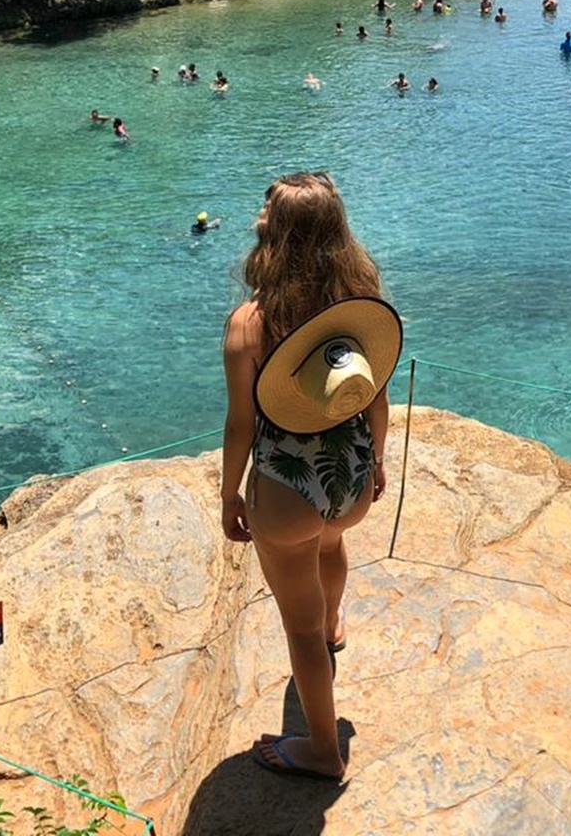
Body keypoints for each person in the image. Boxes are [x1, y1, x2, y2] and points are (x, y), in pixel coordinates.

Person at [221, 173, 402, 783]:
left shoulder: (251, 322)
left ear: (279, 233)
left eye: (265, 210)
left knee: (296, 627)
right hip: (348, 473)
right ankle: (334, 625)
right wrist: (377, 460)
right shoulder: (359, 303)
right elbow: (375, 396)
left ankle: (323, 751)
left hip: (286, 486)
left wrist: (229, 495)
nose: (256, 217)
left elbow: (241, 425)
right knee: (333, 543)